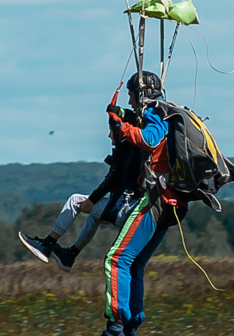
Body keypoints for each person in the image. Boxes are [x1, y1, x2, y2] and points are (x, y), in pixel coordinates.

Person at [85, 70, 182, 336]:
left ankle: (114, 331)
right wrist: (122, 114)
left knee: (116, 259)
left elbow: (151, 138)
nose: (129, 98)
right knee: (135, 263)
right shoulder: (163, 111)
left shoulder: (154, 112)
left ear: (141, 94)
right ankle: (131, 334)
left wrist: (123, 128)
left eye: (131, 94)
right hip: (171, 202)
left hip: (154, 199)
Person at [18, 87, 149, 271]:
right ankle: (69, 256)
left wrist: (92, 199)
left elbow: (113, 178)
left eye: (110, 130)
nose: (108, 135)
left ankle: (47, 245)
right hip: (132, 209)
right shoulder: (135, 145)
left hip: (123, 209)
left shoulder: (124, 146)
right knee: (93, 217)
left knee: (74, 201)